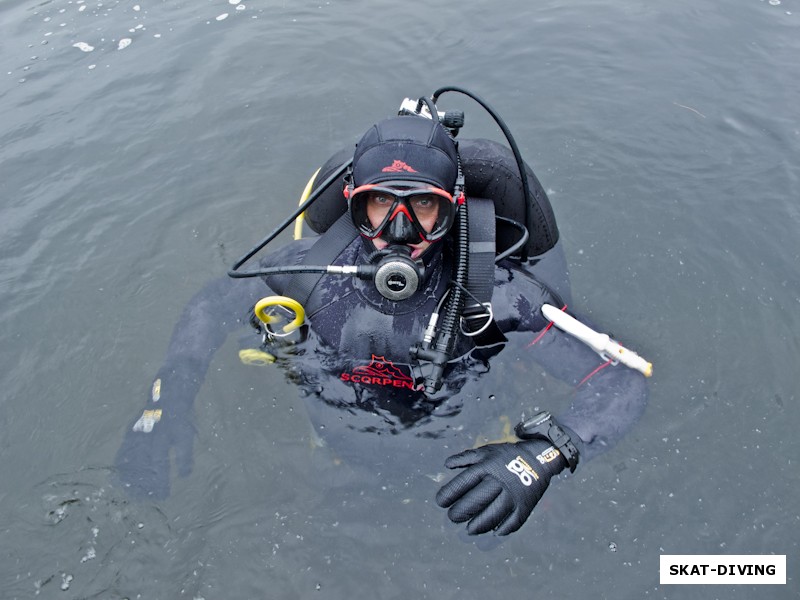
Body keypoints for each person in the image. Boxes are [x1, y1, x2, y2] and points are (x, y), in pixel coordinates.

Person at [115, 90, 648, 538]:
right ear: (352, 202)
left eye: (422, 207)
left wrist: (537, 459)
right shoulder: (309, 272)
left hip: (470, 470)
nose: (398, 231)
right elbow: (212, 304)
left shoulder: (499, 296)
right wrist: (169, 399)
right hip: (335, 460)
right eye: (378, 205)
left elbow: (621, 377)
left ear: (453, 207)